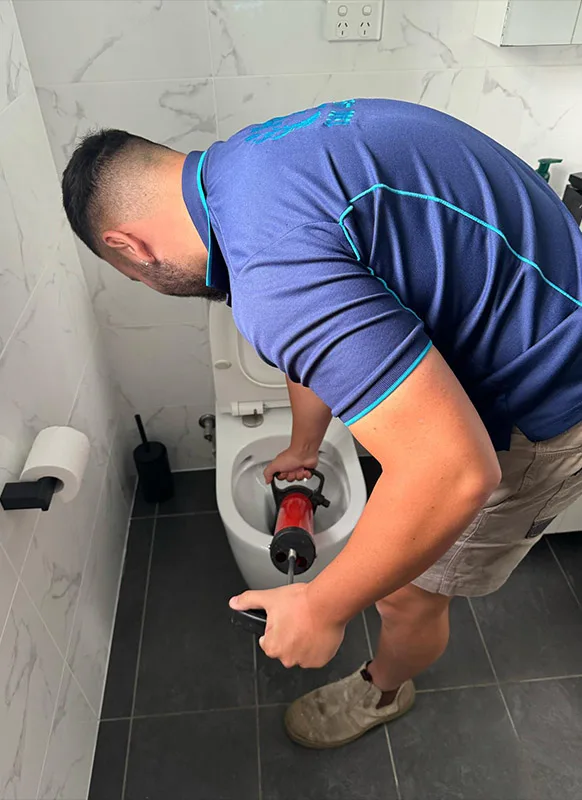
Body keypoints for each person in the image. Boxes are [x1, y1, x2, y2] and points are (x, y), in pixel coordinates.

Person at [62, 99, 582, 749]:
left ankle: (382, 691)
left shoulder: (270, 271)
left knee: (406, 597)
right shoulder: (247, 165)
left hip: (549, 397)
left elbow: (453, 470)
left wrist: (321, 606)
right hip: (544, 297)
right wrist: (304, 446)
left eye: (132, 276)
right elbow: (327, 327)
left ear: (128, 247)